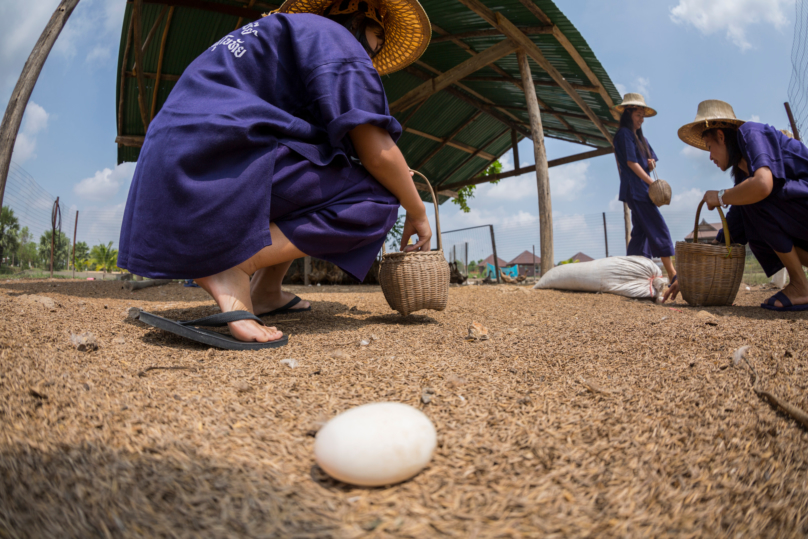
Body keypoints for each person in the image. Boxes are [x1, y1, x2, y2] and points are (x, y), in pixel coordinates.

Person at [117, 0, 434, 344]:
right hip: (216, 160)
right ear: (361, 18)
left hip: (179, 170)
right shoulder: (338, 40)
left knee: (326, 156)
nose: (376, 50)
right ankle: (233, 266)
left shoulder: (280, 37)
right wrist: (416, 210)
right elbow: (377, 152)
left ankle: (266, 290)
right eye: (379, 36)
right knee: (379, 196)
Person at [668, 100, 808, 311]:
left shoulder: (751, 132)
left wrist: (721, 196)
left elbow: (762, 185)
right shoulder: (743, 173)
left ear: (721, 136)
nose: (710, 157)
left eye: (709, 147)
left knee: (754, 197)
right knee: (748, 206)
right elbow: (734, 223)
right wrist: (690, 274)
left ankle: (800, 285)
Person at [612, 93, 677, 286]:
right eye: (638, 115)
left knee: (640, 233)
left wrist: (651, 163)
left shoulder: (642, 138)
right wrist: (652, 183)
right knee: (658, 226)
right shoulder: (624, 134)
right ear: (628, 113)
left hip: (642, 190)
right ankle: (673, 273)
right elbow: (631, 163)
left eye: (643, 116)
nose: (641, 119)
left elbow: (650, 162)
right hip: (636, 190)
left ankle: (631, 276)